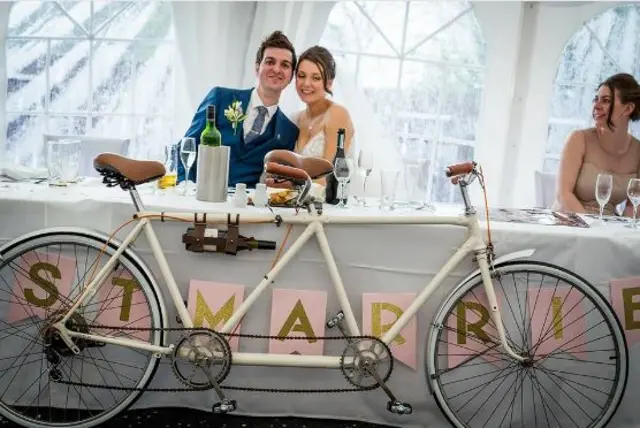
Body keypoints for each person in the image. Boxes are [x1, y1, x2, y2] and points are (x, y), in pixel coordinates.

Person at [177, 31, 299, 187]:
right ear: (257, 68)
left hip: (246, 207)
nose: (276, 69)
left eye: (285, 65)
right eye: (270, 62)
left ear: (290, 77)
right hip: (200, 197)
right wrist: (184, 186)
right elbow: (187, 145)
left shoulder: (289, 132)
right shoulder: (220, 97)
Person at [553, 73, 640, 215]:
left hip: (609, 230)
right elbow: (564, 195)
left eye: (606, 100)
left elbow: (633, 207)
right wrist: (592, 230)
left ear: (628, 108)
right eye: (596, 99)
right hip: (569, 222)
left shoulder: (638, 152)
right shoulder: (579, 139)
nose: (596, 106)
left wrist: (619, 233)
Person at [292, 45, 355, 186]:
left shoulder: (337, 115)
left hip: (328, 203)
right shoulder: (296, 119)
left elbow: (329, 176)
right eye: (301, 76)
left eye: (316, 78)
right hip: (299, 203)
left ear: (329, 83)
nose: (306, 83)